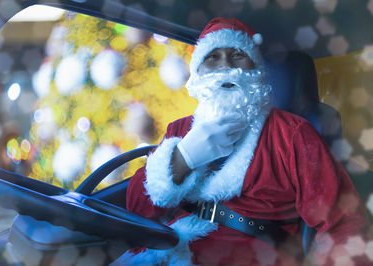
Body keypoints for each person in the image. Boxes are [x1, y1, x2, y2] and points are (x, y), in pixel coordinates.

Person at [114, 17, 369, 265]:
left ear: (255, 69)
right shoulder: (180, 129)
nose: (226, 67)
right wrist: (182, 159)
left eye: (237, 55)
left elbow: (343, 223)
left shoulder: (292, 134)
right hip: (166, 247)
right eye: (212, 57)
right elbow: (136, 209)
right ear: (198, 72)